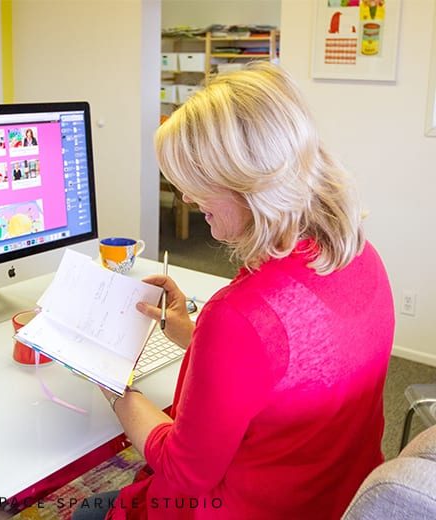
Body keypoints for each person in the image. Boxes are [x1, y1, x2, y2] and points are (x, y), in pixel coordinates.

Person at [73, 62, 395, 519]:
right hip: (333, 498)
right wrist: (194, 336)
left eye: (195, 183)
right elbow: (291, 373)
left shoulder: (241, 315)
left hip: (246, 508)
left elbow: (185, 474)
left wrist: (109, 379)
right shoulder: (358, 256)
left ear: (249, 184)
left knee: (88, 509)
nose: (185, 198)